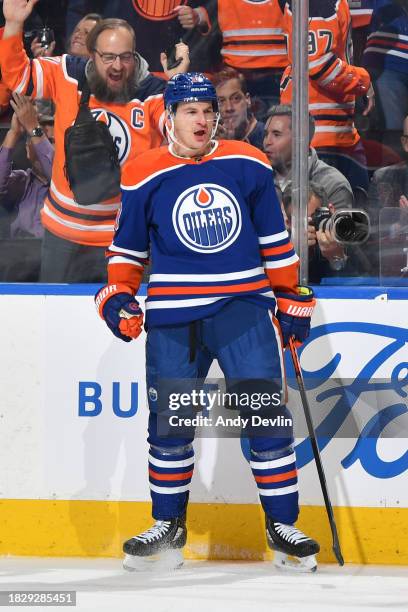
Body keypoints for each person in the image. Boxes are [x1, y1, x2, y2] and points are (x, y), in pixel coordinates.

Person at [95, 72, 320, 572]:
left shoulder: (247, 160)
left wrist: (290, 299)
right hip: (174, 319)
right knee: (170, 426)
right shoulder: (143, 172)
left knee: (264, 417)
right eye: (190, 110)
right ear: (168, 117)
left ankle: (282, 527)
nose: (202, 119)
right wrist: (118, 298)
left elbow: (275, 243)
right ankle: (168, 530)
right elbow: (127, 252)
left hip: (243, 310)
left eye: (208, 109)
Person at [0, 0, 189, 283]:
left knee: (124, 321)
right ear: (92, 55)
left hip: (124, 238)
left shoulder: (153, 92)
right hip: (62, 232)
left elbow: (184, 138)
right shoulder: (66, 72)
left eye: (125, 57)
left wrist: (178, 84)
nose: (118, 66)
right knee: (56, 317)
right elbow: (19, 78)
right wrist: (14, 25)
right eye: (108, 57)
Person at [278, 0, 373, 194]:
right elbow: (317, 64)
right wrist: (363, 81)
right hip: (321, 136)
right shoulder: (319, 3)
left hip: (335, 132)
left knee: (356, 208)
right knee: (335, 215)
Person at [263, 105, 354, 209]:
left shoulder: (332, 185)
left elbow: (338, 225)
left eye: (276, 134)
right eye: (266, 134)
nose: (267, 142)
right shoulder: (256, 178)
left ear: (301, 140)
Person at [213, 67, 265, 150]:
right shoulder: (213, 142)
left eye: (236, 99)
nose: (229, 108)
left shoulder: (266, 138)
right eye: (221, 101)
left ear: (247, 99)